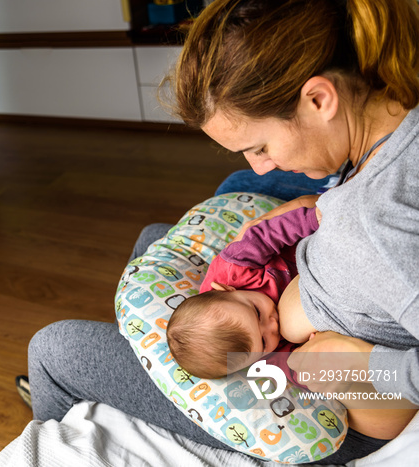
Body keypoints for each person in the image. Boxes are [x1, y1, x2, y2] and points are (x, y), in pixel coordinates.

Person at [25, 0, 419, 462]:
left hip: (339, 413)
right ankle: (142, 381)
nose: (260, 164)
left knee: (54, 350)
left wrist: (367, 368)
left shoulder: (376, 225)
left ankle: (94, 409)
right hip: (291, 319)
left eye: (261, 146)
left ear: (319, 99)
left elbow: (380, 245)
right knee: (156, 236)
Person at [166, 206, 320, 380]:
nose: (273, 326)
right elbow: (294, 370)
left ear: (228, 290)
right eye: (263, 341)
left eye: (257, 312)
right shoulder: (262, 358)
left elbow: (268, 234)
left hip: (314, 243)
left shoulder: (233, 269)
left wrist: (312, 219)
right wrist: (306, 357)